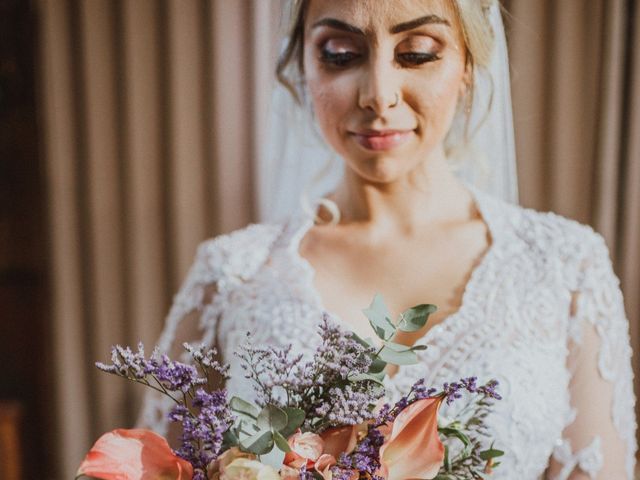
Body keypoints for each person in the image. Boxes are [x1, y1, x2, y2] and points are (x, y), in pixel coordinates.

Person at [140, 1, 638, 478]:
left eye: (417, 52)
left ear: (467, 63)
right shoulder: (234, 274)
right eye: (340, 54)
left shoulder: (564, 265)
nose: (378, 93)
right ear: (302, 66)